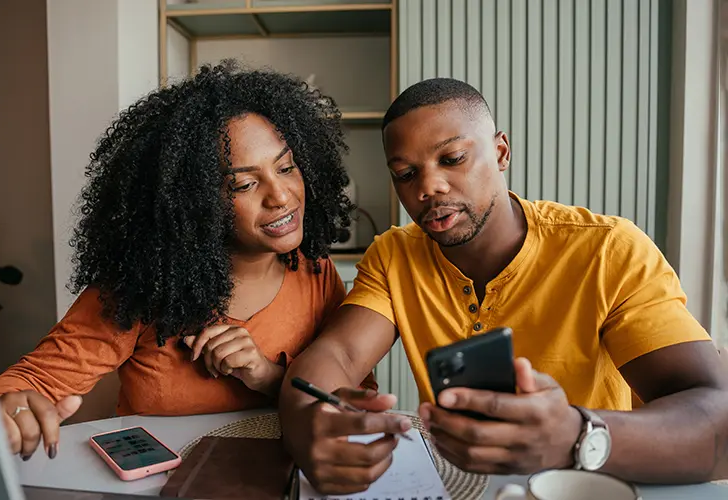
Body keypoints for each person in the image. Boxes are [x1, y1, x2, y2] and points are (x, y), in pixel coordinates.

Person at [279, 77, 728, 495]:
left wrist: (574, 435)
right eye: (405, 174)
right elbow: (334, 356)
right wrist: (311, 428)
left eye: (452, 159)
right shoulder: (394, 255)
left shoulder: (609, 250)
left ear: (501, 152)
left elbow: (719, 422)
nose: (429, 187)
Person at [0, 61, 374, 462]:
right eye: (244, 184)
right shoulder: (142, 285)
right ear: (194, 202)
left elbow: (357, 399)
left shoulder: (315, 271)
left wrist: (267, 376)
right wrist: (13, 408)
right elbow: (31, 381)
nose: (281, 196)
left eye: (286, 167)